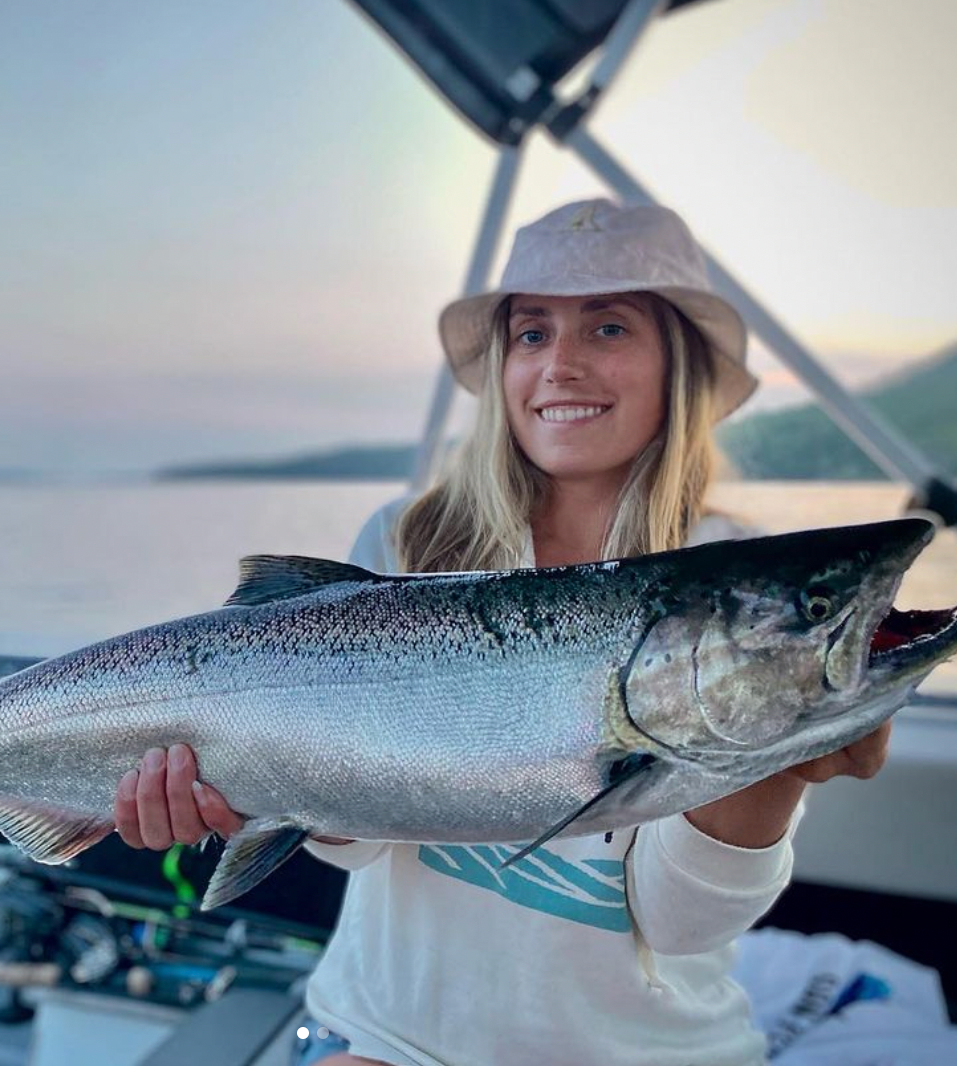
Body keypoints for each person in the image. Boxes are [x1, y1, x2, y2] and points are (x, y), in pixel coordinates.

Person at [112, 199, 891, 1065]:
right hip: (387, 1038)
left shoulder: (740, 576)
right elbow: (361, 845)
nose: (560, 364)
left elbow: (680, 925)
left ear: (678, 365)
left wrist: (774, 771)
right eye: (531, 334)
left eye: (607, 328)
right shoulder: (407, 544)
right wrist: (256, 787)